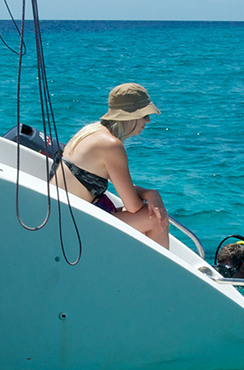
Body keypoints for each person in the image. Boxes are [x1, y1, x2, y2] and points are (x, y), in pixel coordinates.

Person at [51, 83, 170, 248]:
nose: (148, 121)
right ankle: (160, 272)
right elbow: (133, 206)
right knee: (155, 219)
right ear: (131, 116)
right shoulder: (111, 145)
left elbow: (123, 187)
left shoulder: (90, 131)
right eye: (145, 115)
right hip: (72, 228)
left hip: (59, 217)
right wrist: (150, 194)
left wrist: (150, 193)